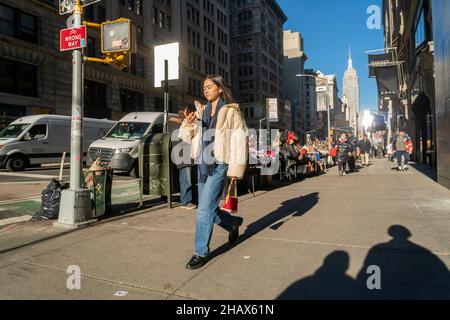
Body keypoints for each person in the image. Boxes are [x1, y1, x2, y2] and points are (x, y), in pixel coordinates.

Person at [179, 75, 248, 270]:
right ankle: (232, 223)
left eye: (209, 87)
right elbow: (185, 138)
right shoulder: (201, 112)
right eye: (204, 88)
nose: (206, 90)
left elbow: (239, 139)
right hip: (203, 164)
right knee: (208, 208)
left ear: (220, 88)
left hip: (220, 163)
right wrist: (188, 124)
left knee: (203, 210)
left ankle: (200, 252)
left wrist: (235, 170)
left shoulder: (231, 111)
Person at [172, 106, 198, 210]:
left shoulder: (188, 124)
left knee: (190, 179)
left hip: (188, 155)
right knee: (186, 179)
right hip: (183, 155)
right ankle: (186, 201)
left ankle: (191, 200)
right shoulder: (178, 124)